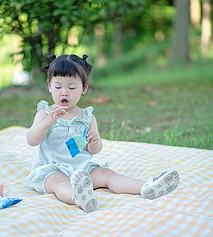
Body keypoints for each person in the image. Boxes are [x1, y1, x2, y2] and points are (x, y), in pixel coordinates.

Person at [27, 54, 180, 213]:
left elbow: (95, 150)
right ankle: (78, 197)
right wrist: (47, 122)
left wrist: (94, 141)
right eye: (58, 87)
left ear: (84, 88)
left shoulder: (87, 117)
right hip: (53, 170)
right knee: (59, 183)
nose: (64, 92)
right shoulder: (45, 113)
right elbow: (31, 140)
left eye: (72, 87)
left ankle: (146, 187)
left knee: (107, 174)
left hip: (82, 170)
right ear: (49, 86)